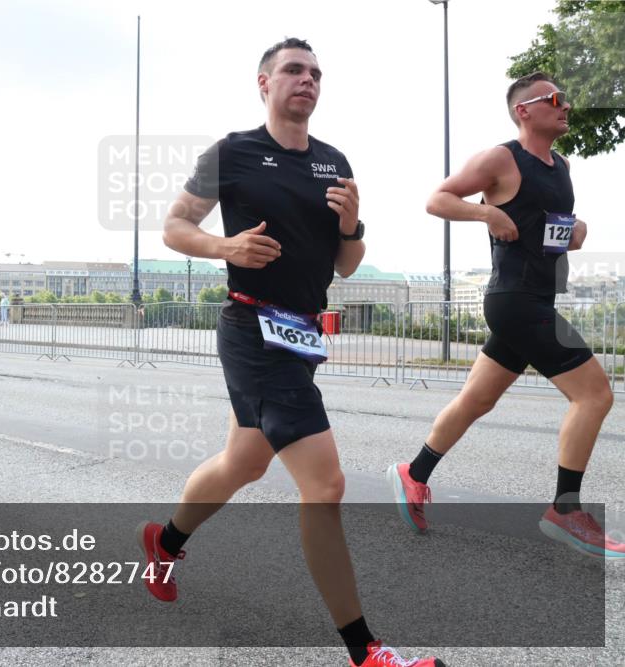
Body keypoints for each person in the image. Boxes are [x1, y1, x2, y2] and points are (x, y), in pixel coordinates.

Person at [141, 39, 445, 667]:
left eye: (315, 73)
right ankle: (366, 653)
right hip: (252, 330)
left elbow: (347, 263)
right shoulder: (231, 152)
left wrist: (353, 225)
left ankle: (164, 542)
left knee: (243, 462)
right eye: (294, 71)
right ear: (264, 83)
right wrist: (225, 249)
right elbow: (174, 225)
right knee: (325, 483)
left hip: (301, 333)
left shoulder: (334, 162)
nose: (308, 80)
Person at [387, 72, 621, 559]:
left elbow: (549, 226)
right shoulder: (501, 158)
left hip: (539, 297)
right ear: (524, 110)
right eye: (555, 98)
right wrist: (486, 214)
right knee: (596, 395)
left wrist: (575, 229)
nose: (566, 105)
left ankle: (415, 473)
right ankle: (565, 508)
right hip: (516, 301)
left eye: (566, 98)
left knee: (476, 401)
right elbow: (438, 199)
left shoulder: (562, 165)